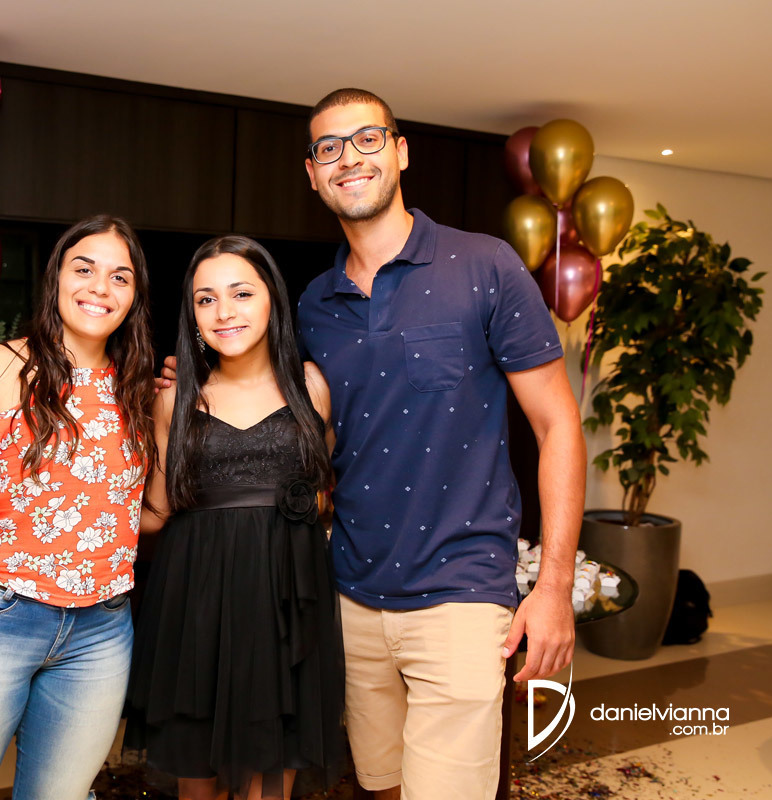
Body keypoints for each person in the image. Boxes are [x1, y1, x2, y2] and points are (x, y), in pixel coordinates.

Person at [163, 89, 585, 800]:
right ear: (312, 173)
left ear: (400, 151)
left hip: (460, 595)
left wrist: (555, 588)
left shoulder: (485, 265)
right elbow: (287, 418)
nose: (348, 159)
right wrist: (196, 383)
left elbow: (558, 426)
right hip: (348, 597)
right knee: (382, 786)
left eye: (367, 139)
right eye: (328, 148)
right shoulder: (312, 305)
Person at [0, 214, 157, 800]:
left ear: (134, 297)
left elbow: (131, 513)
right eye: (84, 269)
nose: (100, 287)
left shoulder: (137, 389)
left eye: (120, 277)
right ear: (56, 278)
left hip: (101, 633)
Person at [129, 236, 347, 800]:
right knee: (198, 786)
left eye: (241, 293)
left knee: (271, 782)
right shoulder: (173, 399)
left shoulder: (312, 387)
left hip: (287, 607)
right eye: (206, 299)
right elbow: (156, 511)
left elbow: (328, 492)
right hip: (196, 607)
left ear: (272, 298)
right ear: (193, 315)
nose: (224, 312)